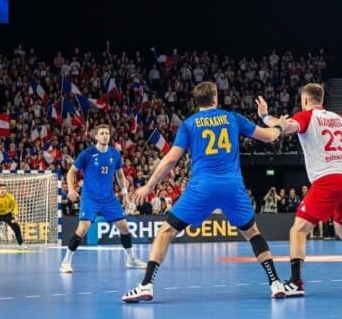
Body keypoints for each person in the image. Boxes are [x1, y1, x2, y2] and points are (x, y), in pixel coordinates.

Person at [121, 81, 289, 303]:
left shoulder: (189, 124)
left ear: (196, 101)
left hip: (202, 188)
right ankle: (275, 283)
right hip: (232, 187)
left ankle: (146, 286)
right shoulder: (232, 118)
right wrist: (278, 125)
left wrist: (149, 185)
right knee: (252, 233)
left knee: (166, 232)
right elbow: (268, 137)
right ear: (215, 97)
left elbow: (171, 159)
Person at [257, 83, 342, 296]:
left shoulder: (306, 117)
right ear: (322, 99)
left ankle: (295, 282)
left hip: (328, 179)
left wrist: (265, 117)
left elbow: (284, 129)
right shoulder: (339, 118)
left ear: (305, 100)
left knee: (298, 229)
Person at [60, 124, 145, 273]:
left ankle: (131, 259)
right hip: (90, 198)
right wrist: (71, 189)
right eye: (102, 133)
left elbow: (120, 175)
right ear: (96, 136)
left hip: (109, 198)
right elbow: (71, 172)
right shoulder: (87, 153)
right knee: (83, 228)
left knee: (124, 227)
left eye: (107, 133)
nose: (105, 136)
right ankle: (65, 262)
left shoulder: (115, 154)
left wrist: (125, 194)